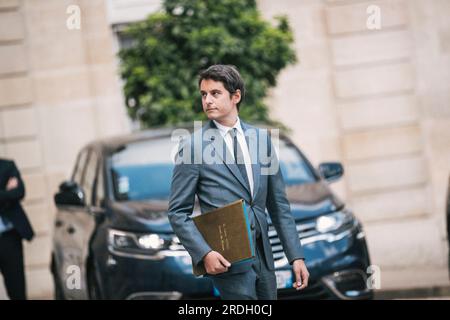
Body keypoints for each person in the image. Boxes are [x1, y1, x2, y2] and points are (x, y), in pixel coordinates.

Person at [168, 64, 309, 299]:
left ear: (236, 96)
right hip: (228, 262)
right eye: (204, 95)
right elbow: (177, 212)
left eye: (215, 93)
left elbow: (279, 206)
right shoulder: (192, 147)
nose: (208, 101)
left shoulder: (262, 140)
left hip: (265, 260)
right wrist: (204, 254)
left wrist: (296, 256)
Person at [0, 158, 34, 300]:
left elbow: (19, 192)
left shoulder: (7, 166)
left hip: (9, 237)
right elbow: (11, 195)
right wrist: (5, 192)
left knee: (17, 289)